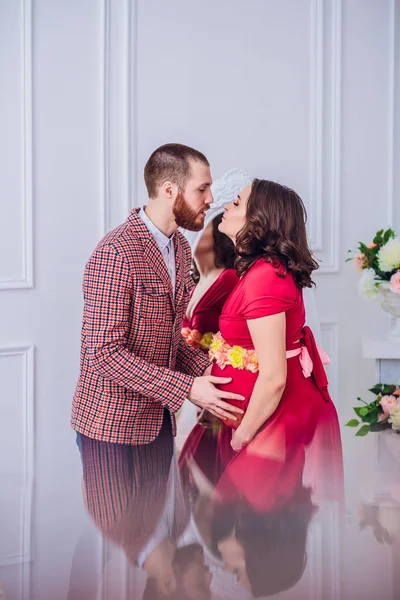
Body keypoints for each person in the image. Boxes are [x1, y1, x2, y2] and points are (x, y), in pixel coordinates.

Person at [71, 143, 245, 451]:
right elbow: (104, 354)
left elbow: (172, 339)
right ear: (169, 190)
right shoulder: (115, 253)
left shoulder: (179, 245)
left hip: (161, 422)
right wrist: (189, 387)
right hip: (111, 429)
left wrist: (208, 372)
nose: (211, 199)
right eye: (201, 189)